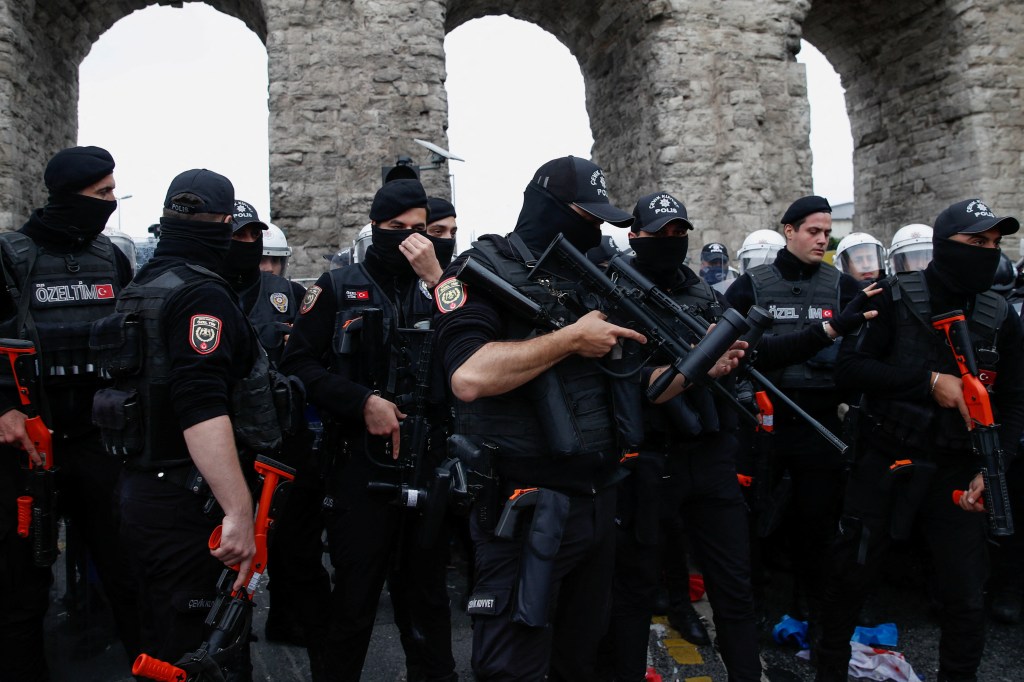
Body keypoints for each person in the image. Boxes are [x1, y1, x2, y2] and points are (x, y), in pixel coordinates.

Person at [433, 157, 743, 680]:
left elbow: (640, 386)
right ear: (549, 209)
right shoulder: (480, 269)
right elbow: (468, 375)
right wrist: (570, 339)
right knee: (514, 664)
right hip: (523, 506)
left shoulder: (590, 280)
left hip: (599, 502)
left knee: (583, 659)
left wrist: (700, 366)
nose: (597, 230)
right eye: (587, 216)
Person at [815, 199, 1024, 682]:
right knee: (850, 579)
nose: (987, 252)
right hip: (886, 459)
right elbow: (849, 370)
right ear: (944, 246)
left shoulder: (999, 314)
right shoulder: (890, 297)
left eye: (994, 244)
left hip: (958, 472)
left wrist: (992, 469)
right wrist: (931, 382)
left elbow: (1013, 400)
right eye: (976, 242)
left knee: (966, 597)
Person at [279, 178, 458, 682]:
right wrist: (361, 403)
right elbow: (298, 365)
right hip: (359, 464)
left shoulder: (448, 284)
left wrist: (436, 277)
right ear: (376, 228)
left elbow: (473, 347)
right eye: (397, 229)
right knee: (354, 602)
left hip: (429, 463)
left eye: (421, 230)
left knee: (427, 602)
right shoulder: (337, 287)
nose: (412, 239)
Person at [112, 169, 276, 678]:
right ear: (224, 226)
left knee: (161, 638)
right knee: (204, 653)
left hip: (143, 489)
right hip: (188, 501)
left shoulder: (143, 287)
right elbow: (200, 405)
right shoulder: (201, 295)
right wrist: (238, 510)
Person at [602, 192, 762, 682]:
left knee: (734, 588)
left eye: (679, 232)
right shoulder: (613, 295)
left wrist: (734, 359)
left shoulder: (703, 294)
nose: (672, 240)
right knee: (634, 589)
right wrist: (693, 367)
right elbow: (627, 381)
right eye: (660, 232)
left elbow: (736, 370)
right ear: (635, 236)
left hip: (710, 456)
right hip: (649, 460)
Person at [0, 145, 139, 680]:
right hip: (28, 442)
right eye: (101, 193)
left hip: (98, 438)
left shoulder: (112, 258)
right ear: (69, 196)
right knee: (21, 587)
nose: (109, 202)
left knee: (127, 574)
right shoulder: (11, 257)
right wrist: (5, 408)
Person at [725, 195, 877, 625]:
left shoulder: (843, 287)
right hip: (761, 421)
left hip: (822, 423)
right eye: (814, 231)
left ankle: (814, 607)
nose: (822, 240)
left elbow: (860, 357)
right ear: (788, 230)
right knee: (754, 519)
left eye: (828, 233)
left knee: (818, 520)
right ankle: (752, 608)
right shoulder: (750, 286)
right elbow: (738, 354)